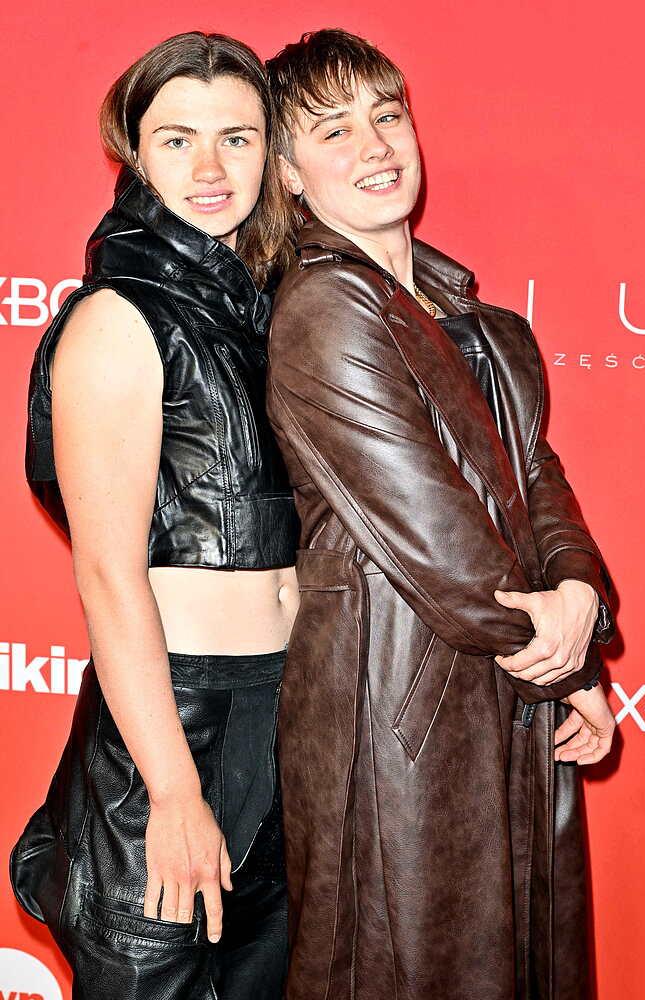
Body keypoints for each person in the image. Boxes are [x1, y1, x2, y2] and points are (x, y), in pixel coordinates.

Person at [264, 29, 616, 1000]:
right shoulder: (324, 308)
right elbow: (437, 533)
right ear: (288, 174)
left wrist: (580, 593)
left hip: (506, 688)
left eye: (386, 117)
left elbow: (539, 480)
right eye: (333, 131)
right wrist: (569, 662)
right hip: (396, 712)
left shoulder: (486, 326)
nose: (375, 147)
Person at [10, 31, 300, 1000]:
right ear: (135, 154)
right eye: (177, 140)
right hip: (175, 724)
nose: (210, 168)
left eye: (236, 137)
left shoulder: (265, 307)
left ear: (271, 151)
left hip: (283, 711)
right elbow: (106, 574)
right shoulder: (118, 318)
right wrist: (173, 789)